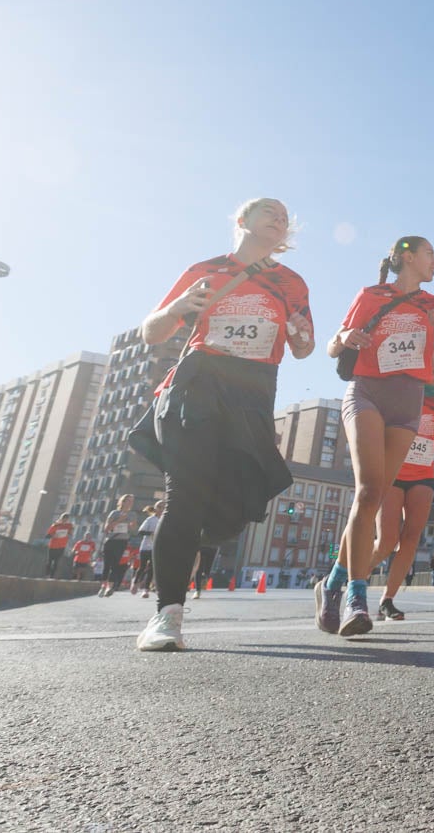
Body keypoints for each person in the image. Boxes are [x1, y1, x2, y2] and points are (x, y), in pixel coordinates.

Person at [133, 197, 314, 652]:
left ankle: (197, 540)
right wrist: (175, 307)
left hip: (252, 392)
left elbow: (305, 348)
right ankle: (167, 615)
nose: (279, 218)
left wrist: (300, 334)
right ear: (242, 220)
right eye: (269, 211)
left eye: (284, 216)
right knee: (183, 497)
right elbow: (151, 332)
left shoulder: (292, 283)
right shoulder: (206, 269)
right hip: (198, 384)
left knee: (232, 509)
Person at [317, 236, 434, 637]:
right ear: (409, 257)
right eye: (432, 253)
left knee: (375, 495)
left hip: (407, 402)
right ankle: (356, 596)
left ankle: (331, 584)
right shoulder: (371, 295)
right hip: (366, 392)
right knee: (367, 492)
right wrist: (344, 339)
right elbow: (333, 346)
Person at [371, 346, 434, 620]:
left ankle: (387, 600)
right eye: (430, 359)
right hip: (394, 472)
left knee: (410, 540)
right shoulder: (405, 389)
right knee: (387, 541)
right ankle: (346, 581)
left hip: (423, 476)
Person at [98, 494, 136, 598]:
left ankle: (109, 587)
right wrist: (119, 520)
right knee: (107, 565)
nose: (129, 503)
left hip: (122, 541)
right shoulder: (114, 513)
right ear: (122, 502)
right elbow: (107, 528)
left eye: (131, 501)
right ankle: (103, 586)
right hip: (111, 540)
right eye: (127, 501)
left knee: (115, 565)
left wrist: (131, 526)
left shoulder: (132, 514)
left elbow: (133, 530)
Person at [135, 501, 162, 597]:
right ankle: (135, 583)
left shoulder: (165, 520)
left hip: (157, 548)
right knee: (142, 567)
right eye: (159, 507)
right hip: (146, 547)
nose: (161, 509)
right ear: (155, 508)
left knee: (151, 569)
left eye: (163, 507)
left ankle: (145, 590)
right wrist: (151, 533)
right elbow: (140, 532)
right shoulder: (150, 519)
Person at [45, 513, 75, 579]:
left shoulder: (69, 526)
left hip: (61, 547)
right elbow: (47, 536)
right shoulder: (55, 525)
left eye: (66, 519)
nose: (65, 520)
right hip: (53, 546)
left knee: (56, 562)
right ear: (61, 518)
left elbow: (71, 534)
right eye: (63, 518)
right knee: (49, 561)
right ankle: (46, 574)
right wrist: (53, 535)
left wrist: (71, 531)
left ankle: (51, 577)